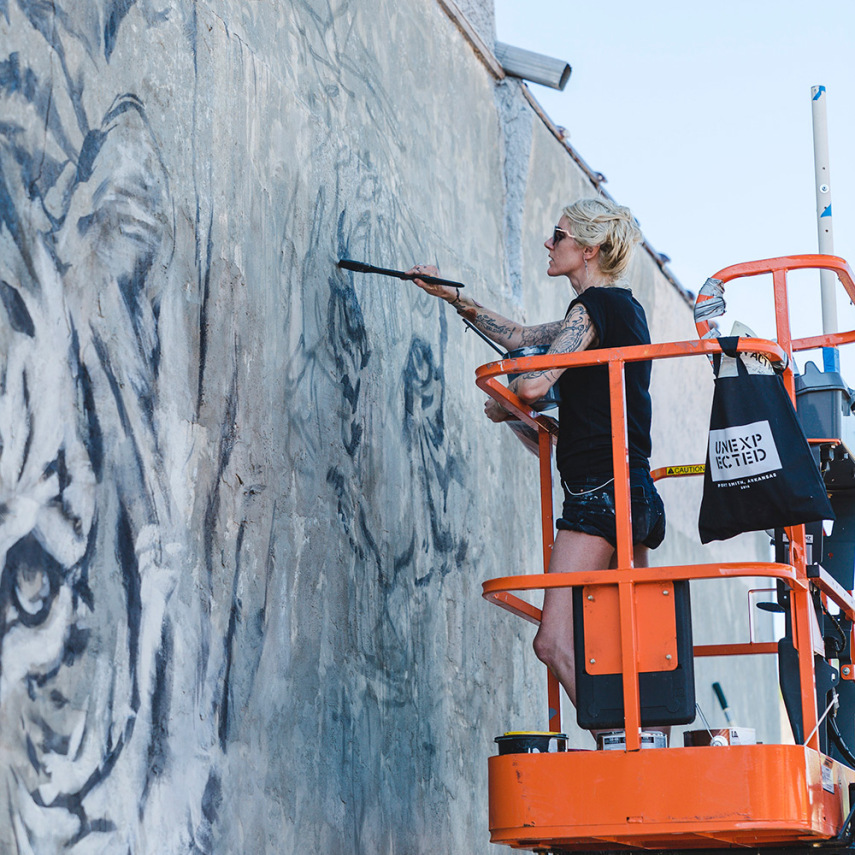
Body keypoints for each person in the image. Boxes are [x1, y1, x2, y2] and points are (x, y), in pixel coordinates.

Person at [409, 196, 666, 719]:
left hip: (602, 497)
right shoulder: (614, 313)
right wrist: (454, 298)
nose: (549, 243)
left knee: (554, 643)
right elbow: (524, 338)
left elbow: (531, 379)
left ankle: (617, 750)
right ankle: (632, 743)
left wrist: (526, 388)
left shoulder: (595, 309)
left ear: (589, 249)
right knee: (620, 651)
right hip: (627, 493)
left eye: (560, 235)